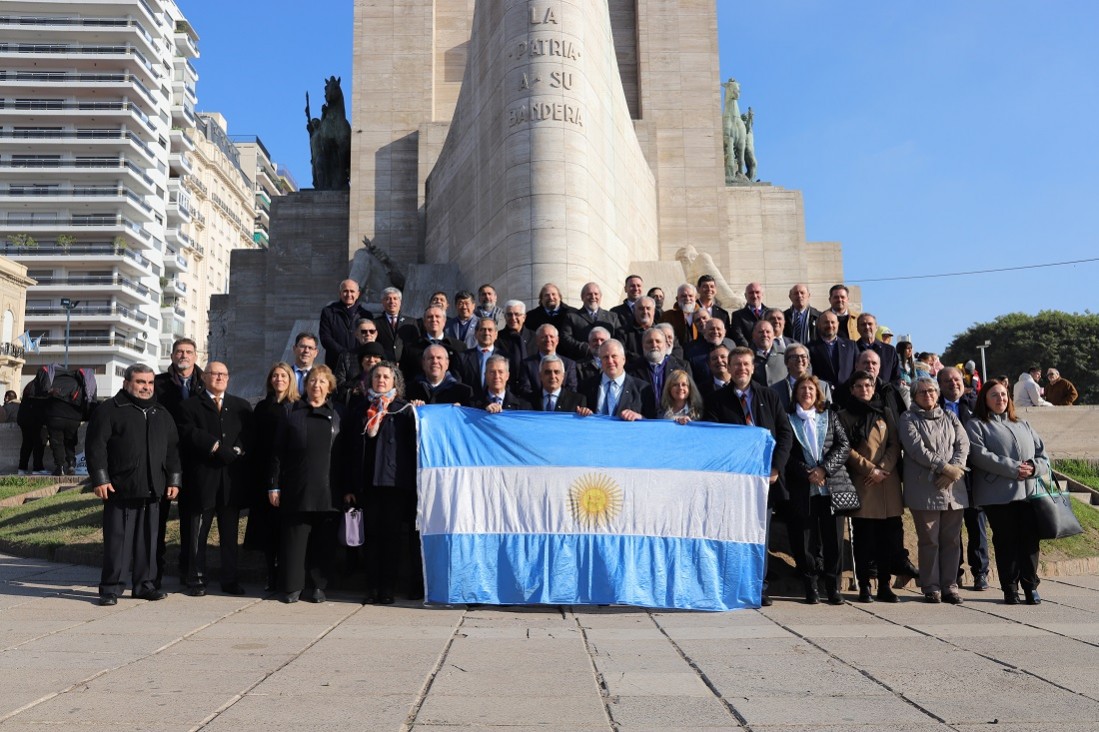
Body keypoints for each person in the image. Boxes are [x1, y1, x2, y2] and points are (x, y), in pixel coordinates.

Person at [703, 346, 794, 606]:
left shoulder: (770, 396)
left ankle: (758, 587)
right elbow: (713, 439)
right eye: (737, 364)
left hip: (764, 480)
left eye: (746, 364)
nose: (741, 369)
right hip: (733, 481)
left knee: (758, 535)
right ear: (729, 368)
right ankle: (731, 585)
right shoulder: (716, 400)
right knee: (731, 533)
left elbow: (785, 434)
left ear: (753, 367)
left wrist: (776, 468)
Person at [86, 364, 180, 605]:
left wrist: (174, 479)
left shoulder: (162, 413)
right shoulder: (109, 410)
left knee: (149, 541)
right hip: (120, 487)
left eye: (149, 383)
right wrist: (100, 479)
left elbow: (172, 451)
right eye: (140, 382)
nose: (146, 387)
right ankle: (111, 588)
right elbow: (96, 447)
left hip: (153, 487)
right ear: (127, 383)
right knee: (118, 541)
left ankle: (145, 585)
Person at [966, 379, 1052, 605]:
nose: (1000, 399)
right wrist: (1014, 469)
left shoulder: (1022, 424)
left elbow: (1044, 456)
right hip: (998, 496)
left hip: (1028, 494)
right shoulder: (976, 425)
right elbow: (979, 455)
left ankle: (1030, 586)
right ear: (985, 399)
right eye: (994, 395)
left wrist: (1033, 468)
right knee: (1006, 542)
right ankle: (1010, 588)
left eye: (1003, 395)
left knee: (1030, 542)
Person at [177, 361, 254, 597]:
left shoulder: (241, 406)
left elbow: (249, 435)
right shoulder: (190, 406)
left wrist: (237, 450)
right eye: (214, 373)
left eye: (223, 374)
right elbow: (187, 433)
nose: (219, 377)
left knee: (229, 535)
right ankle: (196, 579)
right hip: (203, 480)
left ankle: (230, 579)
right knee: (197, 534)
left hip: (230, 481)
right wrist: (214, 446)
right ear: (204, 377)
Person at [344, 362, 419, 604]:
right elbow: (349, 449)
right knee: (372, 537)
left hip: (394, 484)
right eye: (377, 376)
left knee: (392, 538)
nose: (382, 380)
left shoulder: (404, 410)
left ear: (394, 381)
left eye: (386, 376)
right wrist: (350, 485)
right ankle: (372, 586)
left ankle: (388, 588)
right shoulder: (359, 409)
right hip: (367, 484)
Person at [268, 365, 343, 604]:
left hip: (328, 488)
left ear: (329, 387)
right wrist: (274, 485)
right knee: (294, 541)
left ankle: (319, 586)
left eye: (322, 382)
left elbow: (346, 454)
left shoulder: (338, 414)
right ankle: (292, 586)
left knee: (323, 542)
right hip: (296, 487)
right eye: (312, 381)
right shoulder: (291, 411)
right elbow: (277, 451)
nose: (316, 386)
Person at [784, 375, 854, 604]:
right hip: (803, 488)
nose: (807, 392)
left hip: (831, 487)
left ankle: (832, 586)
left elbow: (843, 445)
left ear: (818, 393)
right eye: (802, 388)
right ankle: (811, 585)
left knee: (833, 539)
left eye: (811, 389)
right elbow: (785, 452)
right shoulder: (788, 419)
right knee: (804, 540)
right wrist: (808, 473)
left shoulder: (829, 416)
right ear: (796, 393)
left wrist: (824, 469)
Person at [899, 377, 970, 604]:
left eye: (931, 391)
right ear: (914, 395)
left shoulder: (949, 416)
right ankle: (930, 586)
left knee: (952, 540)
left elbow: (963, 443)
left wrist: (955, 468)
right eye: (922, 392)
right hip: (924, 488)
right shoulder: (908, 418)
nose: (927, 395)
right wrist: (945, 468)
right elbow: (916, 449)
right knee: (929, 540)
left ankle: (950, 585)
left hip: (953, 488)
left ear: (938, 393)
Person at [837, 370, 904, 603]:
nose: (864, 389)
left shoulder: (885, 412)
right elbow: (844, 449)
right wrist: (870, 470)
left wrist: (882, 468)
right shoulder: (844, 416)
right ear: (852, 389)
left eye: (868, 385)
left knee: (887, 540)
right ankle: (865, 585)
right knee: (864, 539)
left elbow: (895, 445)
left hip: (887, 483)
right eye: (859, 386)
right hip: (863, 483)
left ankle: (884, 585)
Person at [243, 362, 299, 592]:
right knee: (268, 528)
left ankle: (286, 573)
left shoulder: (296, 406)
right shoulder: (262, 407)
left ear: (290, 379)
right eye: (275, 375)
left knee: (286, 527)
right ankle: (271, 574)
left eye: (283, 376)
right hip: (263, 473)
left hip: (289, 473)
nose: (279, 379)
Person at [153, 337, 202, 588]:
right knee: (158, 518)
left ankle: (189, 571)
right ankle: (155, 572)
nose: (184, 355)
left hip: (195, 461)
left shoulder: (206, 382)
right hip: (163, 460)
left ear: (196, 356)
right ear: (172, 356)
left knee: (192, 519)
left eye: (189, 352)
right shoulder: (158, 384)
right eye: (179, 351)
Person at [938, 366, 988, 590]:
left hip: (973, 476)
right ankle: (953, 572)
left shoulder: (976, 405)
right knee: (951, 528)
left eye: (957, 380)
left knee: (977, 525)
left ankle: (980, 573)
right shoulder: (932, 405)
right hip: (945, 475)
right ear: (940, 384)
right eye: (947, 381)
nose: (953, 384)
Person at [578, 339, 656, 420]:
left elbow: (652, 421)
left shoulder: (642, 389)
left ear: (623, 359)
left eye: (614, 356)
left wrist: (640, 417)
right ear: (600, 361)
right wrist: (583, 413)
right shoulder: (585, 386)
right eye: (605, 357)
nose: (610, 361)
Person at [319, 279, 374, 369]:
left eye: (352, 291)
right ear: (340, 293)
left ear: (358, 294)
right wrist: (344, 353)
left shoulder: (366, 315)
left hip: (359, 363)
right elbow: (325, 338)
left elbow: (368, 338)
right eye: (345, 291)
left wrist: (356, 354)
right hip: (335, 362)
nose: (349, 295)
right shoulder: (328, 312)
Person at [400, 306, 466, 380]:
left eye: (437, 316)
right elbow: (404, 375)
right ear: (424, 322)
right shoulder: (411, 348)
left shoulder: (459, 347)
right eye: (430, 317)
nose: (434, 320)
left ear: (444, 321)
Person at [563, 282, 623, 359]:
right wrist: (584, 347)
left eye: (596, 294)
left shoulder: (612, 317)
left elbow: (620, 337)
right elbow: (566, 338)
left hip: (607, 360)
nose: (593, 297)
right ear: (582, 297)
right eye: (589, 294)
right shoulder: (572, 317)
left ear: (600, 297)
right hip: (582, 361)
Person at [517, 324, 578, 399]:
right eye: (544, 337)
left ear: (557, 340)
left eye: (551, 337)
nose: (548, 340)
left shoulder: (569, 364)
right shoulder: (527, 364)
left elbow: (572, 389)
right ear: (537, 340)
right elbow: (525, 389)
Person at [406, 344, 474, 405]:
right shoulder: (408, 390)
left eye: (439, 358)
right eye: (431, 358)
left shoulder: (463, 392)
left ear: (447, 363)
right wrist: (411, 409)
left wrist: (460, 411)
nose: (435, 361)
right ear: (423, 363)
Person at [453, 317, 502, 401]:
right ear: (476, 334)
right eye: (482, 329)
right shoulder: (462, 357)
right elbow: (458, 384)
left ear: (496, 334)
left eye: (490, 330)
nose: (486, 333)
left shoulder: (505, 357)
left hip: (497, 406)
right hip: (470, 406)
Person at [772, 342, 832, 410]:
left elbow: (829, 414)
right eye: (794, 357)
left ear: (808, 361)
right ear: (786, 362)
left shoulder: (823, 386)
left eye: (803, 356)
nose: (799, 360)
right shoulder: (775, 390)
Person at [807, 311, 857, 389]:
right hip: (823, 392)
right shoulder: (810, 347)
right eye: (826, 322)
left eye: (833, 322)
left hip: (848, 394)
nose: (830, 325)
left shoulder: (851, 346)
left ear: (838, 324)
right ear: (819, 325)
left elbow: (857, 368)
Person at [333, 317, 380, 391]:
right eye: (363, 332)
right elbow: (339, 383)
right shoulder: (346, 356)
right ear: (357, 334)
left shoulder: (385, 355)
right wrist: (359, 385)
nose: (368, 334)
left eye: (371, 331)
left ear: (376, 334)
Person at [373, 287, 419, 362]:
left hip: (406, 366)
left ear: (400, 302)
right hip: (384, 366)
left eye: (395, 298)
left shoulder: (411, 322)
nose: (392, 302)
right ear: (383, 302)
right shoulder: (376, 323)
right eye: (387, 299)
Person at [855, 313, 901, 384]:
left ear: (876, 327)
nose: (867, 327)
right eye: (863, 324)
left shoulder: (890, 351)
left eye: (870, 324)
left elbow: (896, 377)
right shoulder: (852, 350)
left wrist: (889, 393)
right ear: (857, 328)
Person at [15, 380, 48, 475]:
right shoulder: (40, 388)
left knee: (26, 444)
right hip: (33, 420)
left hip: (24, 419)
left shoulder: (30, 387)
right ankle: (37, 468)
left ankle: (22, 468)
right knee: (38, 443)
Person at [728, 281, 768, 348]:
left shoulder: (770, 313)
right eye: (751, 293)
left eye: (757, 292)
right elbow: (739, 336)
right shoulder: (737, 315)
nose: (754, 296)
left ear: (762, 294)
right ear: (745, 296)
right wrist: (750, 351)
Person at [750, 320, 785, 387]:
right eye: (761, 332)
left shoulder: (785, 354)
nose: (765, 335)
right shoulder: (748, 356)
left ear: (773, 335)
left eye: (768, 332)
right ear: (753, 336)